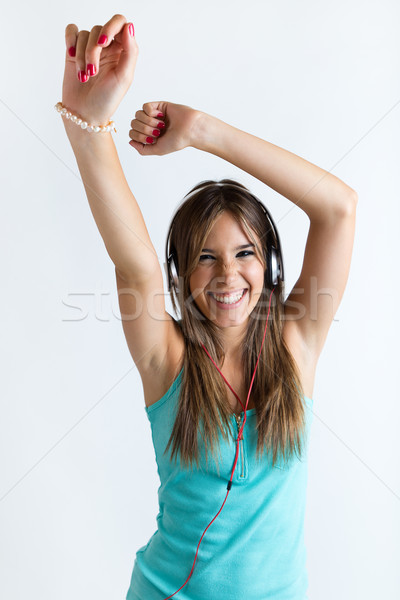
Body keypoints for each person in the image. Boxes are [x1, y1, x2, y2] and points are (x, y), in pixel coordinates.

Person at [59, 14, 357, 600]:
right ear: (181, 276)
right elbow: (136, 264)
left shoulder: (297, 348)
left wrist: (200, 130)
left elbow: (339, 208)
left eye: (245, 252)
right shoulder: (167, 359)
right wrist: (89, 127)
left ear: (269, 264)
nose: (227, 274)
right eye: (203, 257)